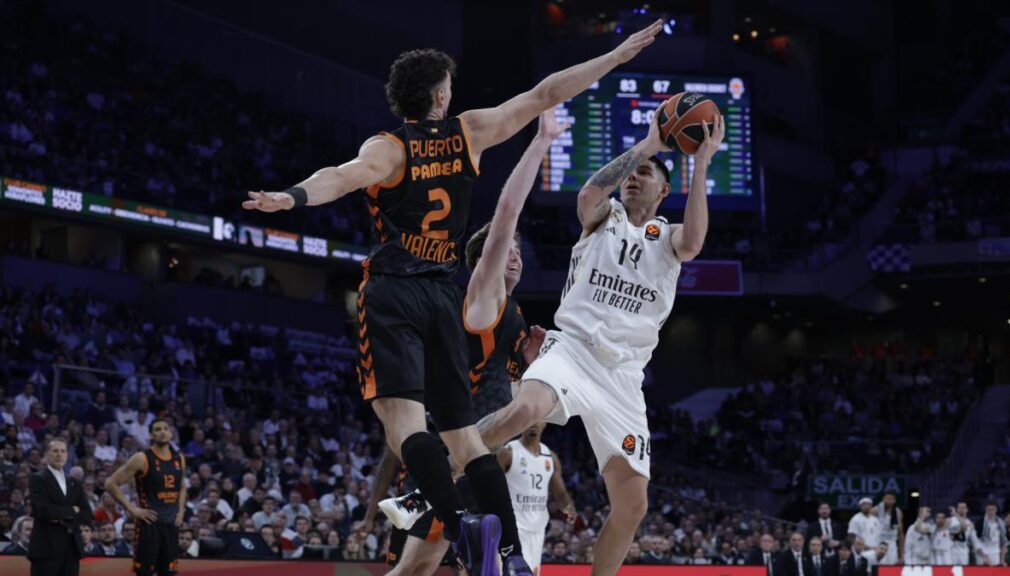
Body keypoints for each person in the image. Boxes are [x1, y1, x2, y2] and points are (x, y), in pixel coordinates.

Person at [243, 19, 664, 576]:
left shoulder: (389, 147)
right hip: (446, 291)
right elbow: (546, 93)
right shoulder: (468, 132)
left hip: (395, 288)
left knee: (402, 428)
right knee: (466, 439)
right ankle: (510, 556)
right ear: (442, 95)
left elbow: (341, 177)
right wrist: (615, 57)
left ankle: (458, 520)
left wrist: (292, 197)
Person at [473, 96, 722, 576]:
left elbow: (693, 243)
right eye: (634, 171)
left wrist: (702, 163)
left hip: (623, 376)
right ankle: (430, 480)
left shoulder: (668, 238)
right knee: (525, 409)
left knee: (633, 506)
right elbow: (588, 193)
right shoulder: (601, 218)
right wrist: (648, 143)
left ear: (664, 191)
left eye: (647, 172)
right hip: (572, 350)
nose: (635, 176)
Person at [370, 108, 572, 576]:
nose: (516, 256)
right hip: (465, 449)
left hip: (473, 458)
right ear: (483, 261)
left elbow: (521, 393)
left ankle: (422, 492)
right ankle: (424, 489)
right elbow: (505, 215)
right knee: (426, 567)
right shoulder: (483, 296)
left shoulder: (515, 316)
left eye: (522, 252)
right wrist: (540, 144)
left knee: (440, 567)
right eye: (508, 251)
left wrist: (535, 357)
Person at [104, 418, 187, 576]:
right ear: (151, 436)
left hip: (171, 527)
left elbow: (182, 486)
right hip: (149, 526)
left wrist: (181, 511)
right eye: (157, 429)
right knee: (144, 573)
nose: (162, 432)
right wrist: (133, 510)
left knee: (169, 573)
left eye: (165, 428)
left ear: (171, 433)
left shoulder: (179, 459)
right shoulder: (141, 458)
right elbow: (110, 483)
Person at [497, 422, 575, 574]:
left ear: (545, 423)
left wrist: (568, 507)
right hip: (514, 527)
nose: (533, 423)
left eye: (538, 419)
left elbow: (560, 494)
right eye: (530, 419)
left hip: (538, 529)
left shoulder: (550, 456)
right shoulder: (507, 453)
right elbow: (492, 490)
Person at [26, 438, 93, 576]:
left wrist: (61, 517)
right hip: (46, 548)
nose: (59, 454)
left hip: (71, 547)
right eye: (55, 451)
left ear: (67, 455)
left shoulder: (75, 482)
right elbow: (43, 511)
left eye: (63, 451)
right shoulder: (37, 479)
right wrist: (72, 511)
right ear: (46, 454)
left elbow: (86, 513)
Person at [874, 490, 903, 564]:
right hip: (879, 541)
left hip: (892, 544)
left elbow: (900, 533)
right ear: (883, 499)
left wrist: (901, 554)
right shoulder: (875, 510)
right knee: (879, 566)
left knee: (891, 567)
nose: (888, 501)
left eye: (891, 499)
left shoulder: (898, 512)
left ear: (894, 501)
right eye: (887, 498)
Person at [978, 501, 1007, 566]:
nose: (991, 512)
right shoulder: (980, 523)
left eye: (993, 509)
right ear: (986, 510)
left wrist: (1002, 560)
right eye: (989, 510)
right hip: (983, 554)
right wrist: (985, 557)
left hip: (995, 554)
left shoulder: (1000, 523)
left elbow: (1003, 542)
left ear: (996, 510)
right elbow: (976, 543)